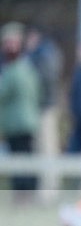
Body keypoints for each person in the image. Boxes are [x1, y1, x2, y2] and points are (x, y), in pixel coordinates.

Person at [0, 21, 40, 200]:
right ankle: (27, 194)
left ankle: (23, 196)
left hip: (17, 123)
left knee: (20, 162)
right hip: (28, 121)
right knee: (27, 160)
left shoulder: (14, 70)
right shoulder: (28, 67)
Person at [26, 25, 63, 157]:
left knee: (48, 143)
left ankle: (50, 177)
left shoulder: (44, 55)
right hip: (39, 105)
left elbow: (45, 79)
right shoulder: (39, 54)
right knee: (39, 144)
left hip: (45, 105)